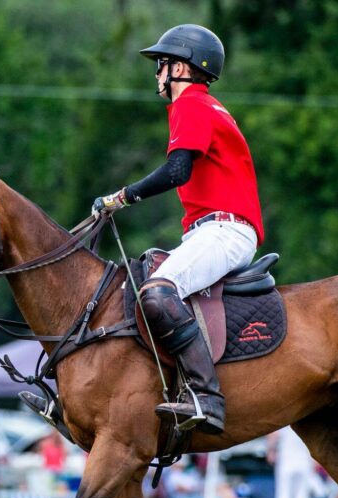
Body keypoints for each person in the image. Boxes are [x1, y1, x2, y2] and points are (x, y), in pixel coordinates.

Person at [91, 25, 263, 434]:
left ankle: (206, 396)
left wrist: (120, 198)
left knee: (157, 291)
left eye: (161, 64)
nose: (157, 74)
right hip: (212, 231)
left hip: (225, 230)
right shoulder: (205, 107)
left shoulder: (193, 106)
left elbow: (177, 170)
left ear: (182, 67)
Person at [267, 426, 315, 498]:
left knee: (285, 489)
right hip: (298, 459)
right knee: (300, 490)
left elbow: (273, 435)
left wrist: (270, 451)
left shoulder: (284, 420)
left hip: (290, 460)